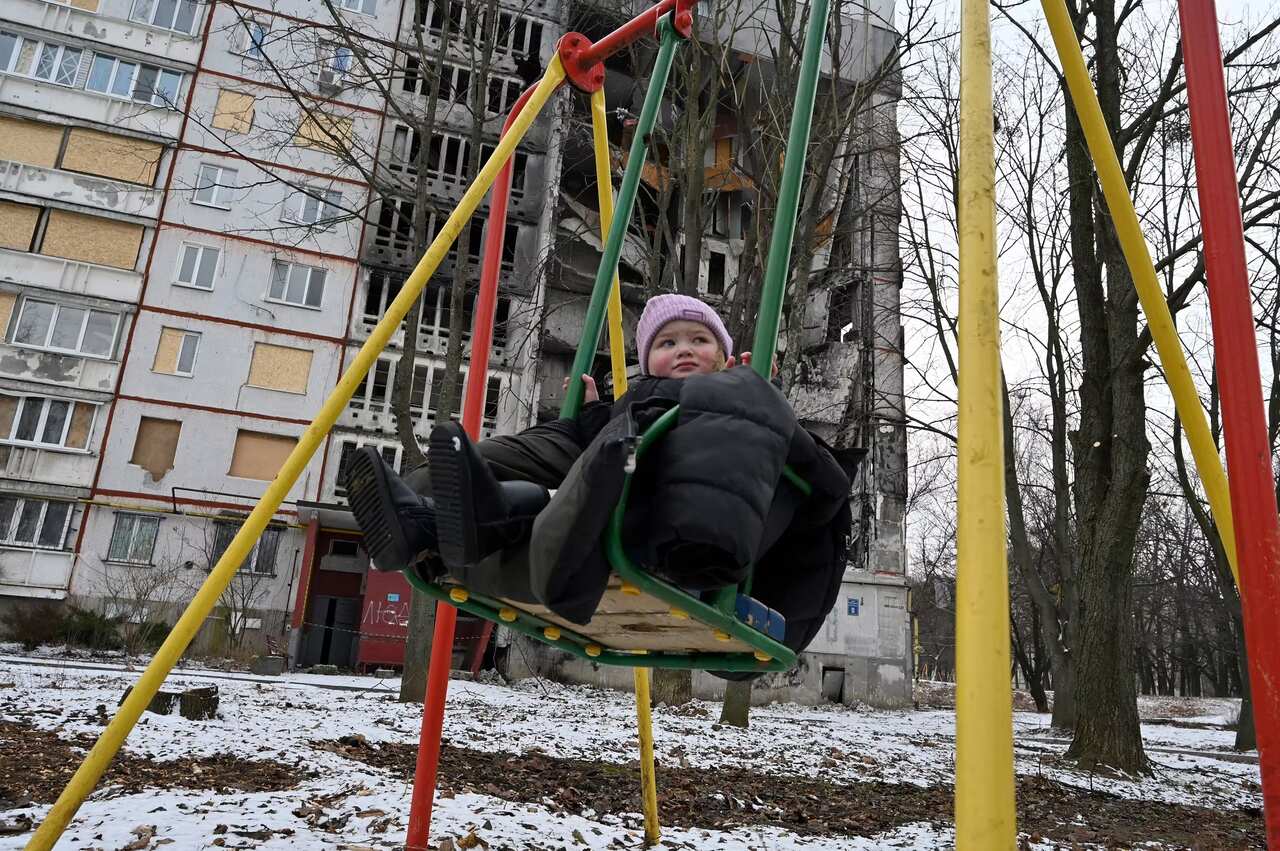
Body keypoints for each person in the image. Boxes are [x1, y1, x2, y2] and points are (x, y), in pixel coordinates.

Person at [344, 292, 741, 581]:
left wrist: (748, 383)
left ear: (723, 357)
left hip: (637, 491)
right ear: (648, 358)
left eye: (700, 340)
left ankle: (434, 522)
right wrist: (592, 409)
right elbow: (603, 436)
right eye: (667, 343)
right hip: (604, 459)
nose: (684, 350)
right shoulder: (638, 394)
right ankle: (416, 519)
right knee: (479, 467)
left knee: (538, 501)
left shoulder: (725, 391)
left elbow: (747, 438)